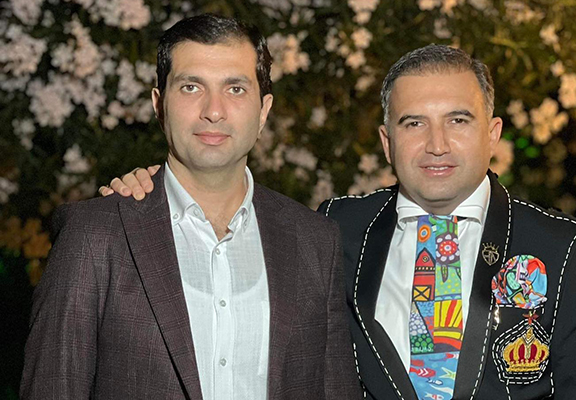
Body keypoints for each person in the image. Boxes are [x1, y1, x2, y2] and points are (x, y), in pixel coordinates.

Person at [103, 45, 576, 399]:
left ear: (492, 133)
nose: (437, 144)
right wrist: (152, 189)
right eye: (414, 123)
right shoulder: (334, 229)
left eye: (458, 121)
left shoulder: (563, 249)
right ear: (386, 141)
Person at [21, 14, 362, 400]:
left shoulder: (315, 240)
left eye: (235, 89)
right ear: (159, 105)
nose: (213, 110)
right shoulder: (95, 235)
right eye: (190, 87)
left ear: (264, 110)